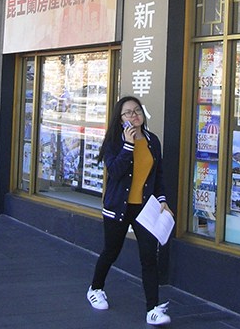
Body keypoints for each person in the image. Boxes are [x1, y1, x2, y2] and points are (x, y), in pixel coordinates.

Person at [86, 96, 173, 326]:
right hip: (118, 207)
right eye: (128, 113)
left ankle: (152, 309)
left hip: (145, 209)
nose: (134, 116)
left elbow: (158, 175)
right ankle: (95, 288)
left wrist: (162, 199)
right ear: (120, 117)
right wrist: (128, 144)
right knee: (111, 251)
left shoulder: (152, 141)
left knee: (149, 258)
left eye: (137, 111)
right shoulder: (114, 141)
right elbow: (115, 172)